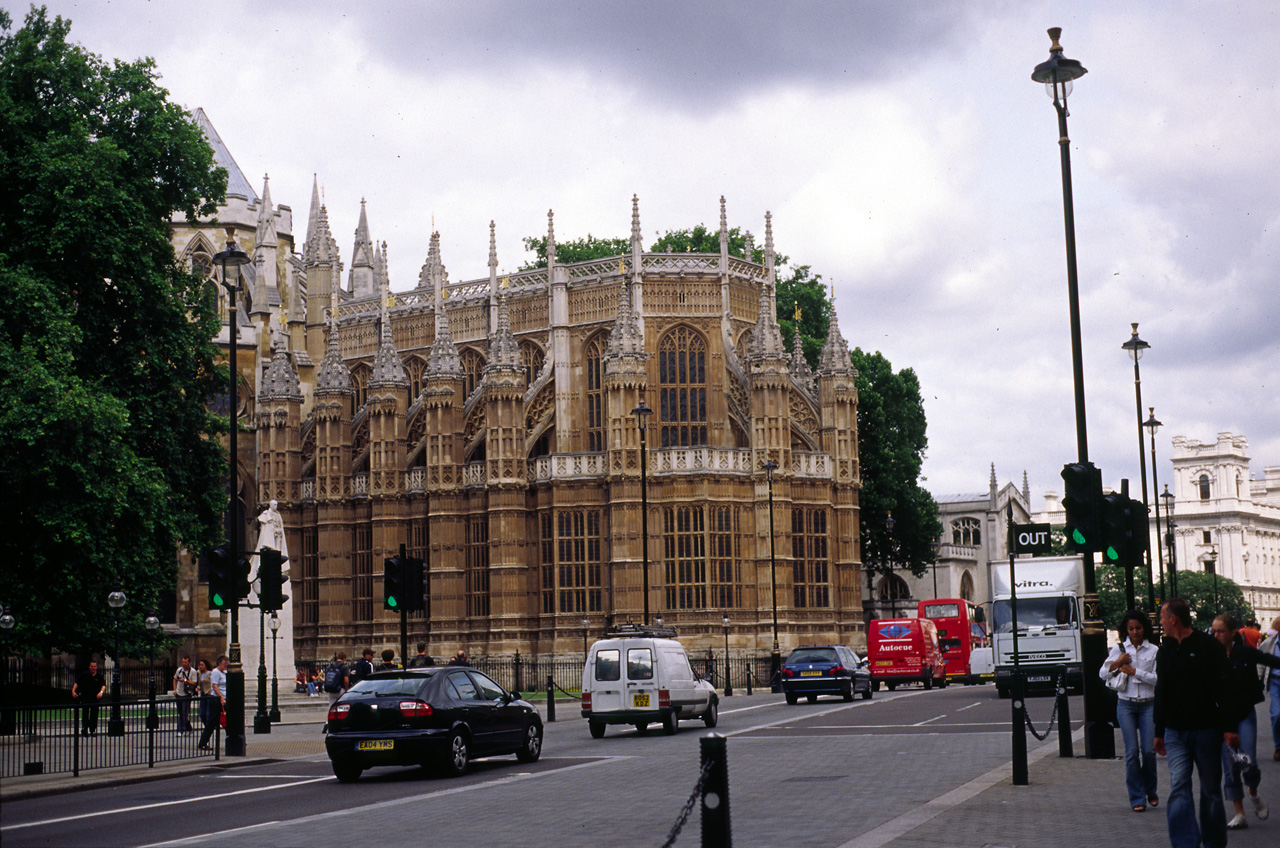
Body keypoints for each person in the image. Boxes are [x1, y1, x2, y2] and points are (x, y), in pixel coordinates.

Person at [1153, 598, 1238, 848]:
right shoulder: (1166, 650)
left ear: (1173, 619)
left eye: (1162, 617)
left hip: (1207, 730)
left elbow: (1226, 685)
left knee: (1210, 790)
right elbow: (1162, 691)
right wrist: (1159, 730)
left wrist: (1230, 726)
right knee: (1179, 785)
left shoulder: (1206, 645)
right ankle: (1185, 842)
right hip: (1174, 732)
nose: (1159, 622)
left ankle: (1213, 842)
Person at [1212, 613, 1280, 829]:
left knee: (1248, 759)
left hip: (1244, 714)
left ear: (1233, 632)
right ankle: (1239, 813)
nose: (1216, 635)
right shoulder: (1211, 656)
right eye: (1214, 631)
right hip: (1222, 718)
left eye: (1221, 631)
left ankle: (1253, 791)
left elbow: (1271, 660)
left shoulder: (1244, 653)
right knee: (1231, 765)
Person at [1101, 610, 1159, 812]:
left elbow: (1158, 679)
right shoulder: (1119, 649)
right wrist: (1117, 663)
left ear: (1144, 629)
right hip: (1126, 704)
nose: (1135, 632)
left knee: (1149, 751)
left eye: (1138, 628)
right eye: (1131, 629)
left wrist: (1135, 671)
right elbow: (1102, 673)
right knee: (1132, 752)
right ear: (1125, 631)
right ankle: (1137, 798)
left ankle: (1151, 789)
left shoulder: (1153, 650)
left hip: (1148, 704)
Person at [199, 655, 228, 751]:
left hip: (222, 699)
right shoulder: (215, 672)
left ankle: (232, 739)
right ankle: (203, 743)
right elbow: (214, 686)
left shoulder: (224, 673)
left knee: (227, 721)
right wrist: (221, 698)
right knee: (211, 722)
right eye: (225, 663)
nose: (226, 665)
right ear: (220, 663)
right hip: (216, 700)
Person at [72, 659, 107, 736]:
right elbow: (77, 683)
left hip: (95, 698)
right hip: (85, 697)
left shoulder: (99, 676)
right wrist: (73, 691)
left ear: (96, 667)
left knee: (94, 714)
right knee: (85, 713)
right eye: (92, 666)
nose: (93, 668)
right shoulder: (84, 675)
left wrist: (101, 692)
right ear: (89, 667)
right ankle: (85, 729)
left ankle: (92, 730)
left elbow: (103, 685)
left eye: (94, 666)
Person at [1264, 616, 1280, 761]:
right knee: (1276, 714)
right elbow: (1260, 660)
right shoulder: (1269, 643)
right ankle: (1278, 746)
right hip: (1275, 682)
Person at [172, 655, 199, 732]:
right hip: (179, 693)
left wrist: (185, 680)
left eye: (185, 662)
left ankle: (181, 729)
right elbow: (175, 679)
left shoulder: (193, 671)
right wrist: (175, 689)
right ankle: (189, 728)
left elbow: (194, 683)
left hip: (187, 694)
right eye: (183, 662)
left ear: (189, 662)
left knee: (184, 713)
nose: (184, 664)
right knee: (181, 713)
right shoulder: (179, 670)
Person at [196, 659, 214, 737]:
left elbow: (213, 683)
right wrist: (198, 687)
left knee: (208, 713)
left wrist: (211, 691)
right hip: (203, 694)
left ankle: (208, 728)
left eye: (202, 665)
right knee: (202, 713)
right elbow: (200, 684)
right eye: (199, 665)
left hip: (209, 694)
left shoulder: (210, 674)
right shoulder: (199, 674)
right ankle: (208, 727)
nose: (200, 666)